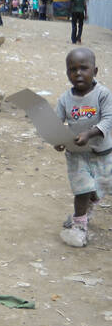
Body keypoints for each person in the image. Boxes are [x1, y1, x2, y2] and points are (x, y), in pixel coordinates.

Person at [55, 48, 112, 247]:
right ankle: (79, 225)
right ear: (67, 73)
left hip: (103, 152)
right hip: (77, 153)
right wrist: (58, 139)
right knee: (81, 189)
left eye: (83, 68)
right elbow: (56, 123)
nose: (78, 73)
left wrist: (90, 133)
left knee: (101, 187)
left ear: (95, 71)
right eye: (72, 69)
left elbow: (109, 119)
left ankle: (88, 204)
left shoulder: (103, 94)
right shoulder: (64, 99)